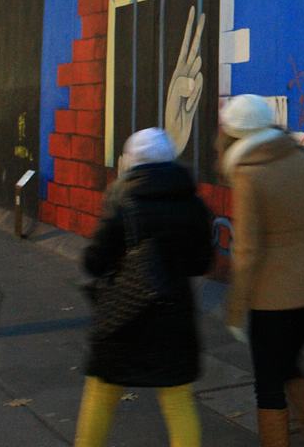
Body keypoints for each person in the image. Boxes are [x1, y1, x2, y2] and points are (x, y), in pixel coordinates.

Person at [74, 127, 214, 447]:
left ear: (131, 161)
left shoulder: (122, 201)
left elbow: (94, 262)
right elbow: (200, 263)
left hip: (124, 314)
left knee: (101, 392)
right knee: (177, 399)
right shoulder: (193, 204)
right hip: (174, 314)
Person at [220, 94, 304, 447]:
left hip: (272, 299)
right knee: (289, 365)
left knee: (269, 384)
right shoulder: (303, 155)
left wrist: (235, 310)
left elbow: (247, 250)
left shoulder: (248, 174)